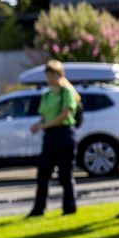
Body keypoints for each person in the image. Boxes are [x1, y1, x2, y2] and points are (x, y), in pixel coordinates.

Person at [27, 60, 79, 217]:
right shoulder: (46, 95)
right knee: (43, 172)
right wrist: (38, 125)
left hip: (64, 134)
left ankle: (69, 207)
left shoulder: (67, 92)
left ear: (59, 75)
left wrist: (47, 125)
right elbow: (44, 116)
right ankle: (39, 208)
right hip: (50, 136)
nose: (49, 79)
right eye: (47, 75)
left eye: (52, 75)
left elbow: (65, 114)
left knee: (65, 173)